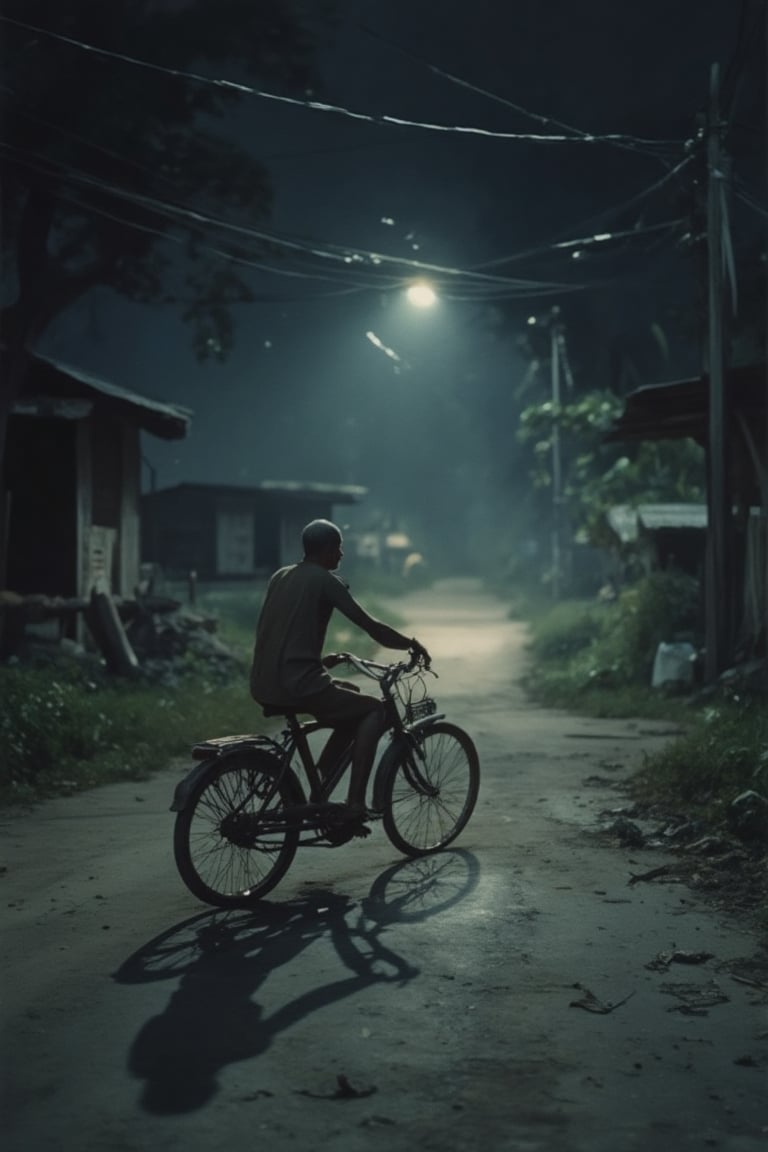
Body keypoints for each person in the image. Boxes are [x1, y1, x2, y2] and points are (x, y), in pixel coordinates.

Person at [250, 519, 430, 823]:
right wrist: (411, 644)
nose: (342, 554)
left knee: (351, 696)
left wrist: (321, 660)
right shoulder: (324, 580)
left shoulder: (280, 576)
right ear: (327, 550)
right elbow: (370, 626)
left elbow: (286, 630)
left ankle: (321, 784)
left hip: (265, 681)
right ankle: (355, 803)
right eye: (339, 547)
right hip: (299, 684)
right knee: (375, 711)